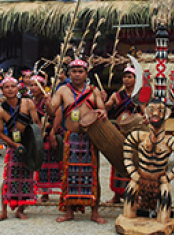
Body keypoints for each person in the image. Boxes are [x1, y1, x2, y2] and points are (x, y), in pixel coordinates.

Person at [48, 59, 108, 224]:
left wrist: (102, 112)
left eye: (80, 71)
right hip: (71, 137)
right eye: (74, 71)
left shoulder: (94, 91)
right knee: (69, 174)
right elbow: (52, 110)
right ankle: (69, 211)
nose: (77, 74)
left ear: (86, 73)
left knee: (93, 174)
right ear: (69, 73)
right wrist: (47, 104)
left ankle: (94, 212)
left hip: (91, 137)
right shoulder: (62, 90)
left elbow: (102, 109)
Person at [0, 76, 41, 221]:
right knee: (9, 179)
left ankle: (21, 209)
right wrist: (15, 145)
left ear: (18, 88)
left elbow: (37, 123)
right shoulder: (0, 110)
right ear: (2, 90)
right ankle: (3, 211)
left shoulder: (28, 103)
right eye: (6, 87)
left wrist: (36, 142)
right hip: (13, 147)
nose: (10, 89)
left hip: (28, 144)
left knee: (26, 178)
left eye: (12, 86)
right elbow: (1, 133)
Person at [103, 67, 143, 204]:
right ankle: (116, 195)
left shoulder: (139, 95)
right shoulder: (116, 95)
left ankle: (135, 195)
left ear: (135, 80)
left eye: (130, 77)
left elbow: (144, 113)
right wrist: (103, 100)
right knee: (117, 161)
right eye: (125, 77)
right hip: (120, 133)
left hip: (134, 134)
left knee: (134, 163)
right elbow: (106, 107)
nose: (126, 79)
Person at [31, 73, 63, 202]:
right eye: (31, 85)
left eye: (36, 85)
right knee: (42, 164)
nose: (33, 88)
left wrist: (52, 132)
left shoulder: (49, 99)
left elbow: (58, 113)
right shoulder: (30, 102)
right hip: (39, 136)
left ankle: (62, 191)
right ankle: (44, 192)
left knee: (57, 163)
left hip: (51, 134)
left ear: (43, 87)